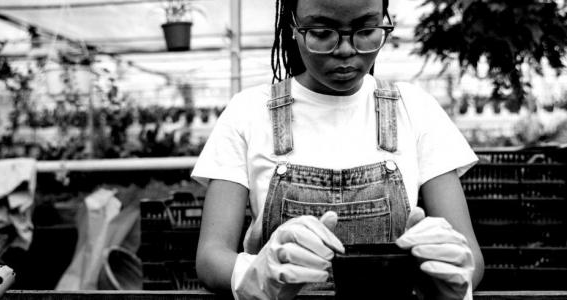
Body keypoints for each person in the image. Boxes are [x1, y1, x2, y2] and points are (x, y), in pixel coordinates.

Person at [193, 0, 484, 299]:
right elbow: (210, 257)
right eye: (321, 32)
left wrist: (447, 271)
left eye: (367, 29)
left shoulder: (415, 109)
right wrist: (256, 274)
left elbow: (470, 258)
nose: (345, 49)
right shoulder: (250, 112)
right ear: (293, 26)